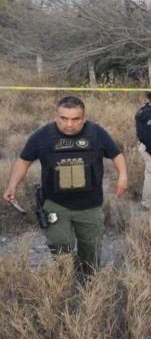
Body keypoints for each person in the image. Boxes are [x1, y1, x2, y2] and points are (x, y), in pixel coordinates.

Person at [2, 96, 128, 277]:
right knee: (60, 244)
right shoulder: (43, 135)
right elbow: (24, 161)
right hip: (55, 203)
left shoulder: (96, 133)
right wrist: (12, 185)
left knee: (90, 247)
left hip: (90, 204)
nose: (69, 124)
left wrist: (122, 176)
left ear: (84, 118)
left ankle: (87, 279)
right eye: (64, 118)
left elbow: (117, 155)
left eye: (75, 119)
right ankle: (65, 277)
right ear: (56, 116)